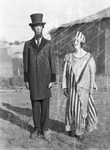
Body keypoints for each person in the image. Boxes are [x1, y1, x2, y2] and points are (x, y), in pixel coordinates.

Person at [23, 13, 56, 141]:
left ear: (42, 28)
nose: (37, 29)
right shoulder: (27, 44)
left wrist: (52, 79)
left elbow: (53, 62)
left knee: (45, 105)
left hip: (45, 80)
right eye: (35, 27)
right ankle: (37, 129)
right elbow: (25, 63)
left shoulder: (48, 44)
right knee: (35, 104)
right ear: (33, 29)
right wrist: (26, 79)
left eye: (39, 27)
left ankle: (45, 130)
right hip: (33, 80)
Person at [62, 31, 98, 141]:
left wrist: (91, 87)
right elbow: (64, 74)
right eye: (74, 41)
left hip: (84, 90)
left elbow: (92, 73)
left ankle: (80, 132)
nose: (75, 43)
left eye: (78, 41)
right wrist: (64, 86)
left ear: (82, 43)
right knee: (72, 110)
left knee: (82, 111)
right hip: (72, 89)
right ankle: (70, 129)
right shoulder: (68, 57)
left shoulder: (89, 57)